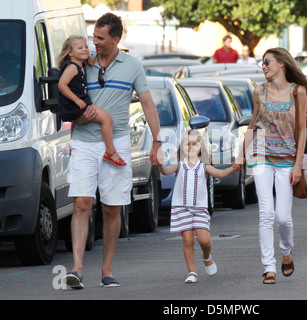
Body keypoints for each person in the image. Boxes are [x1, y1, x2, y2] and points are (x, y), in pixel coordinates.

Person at [62, 13, 161, 289]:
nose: (94, 42)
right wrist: (73, 128)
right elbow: (66, 96)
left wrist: (157, 140)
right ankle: (77, 269)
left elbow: (148, 104)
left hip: (116, 143)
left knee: (111, 208)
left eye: (100, 38)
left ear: (116, 39)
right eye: (93, 37)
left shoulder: (132, 66)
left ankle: (107, 270)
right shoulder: (83, 62)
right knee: (82, 203)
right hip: (83, 140)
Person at [236, 47, 307, 284]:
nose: (264, 66)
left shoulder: (298, 92)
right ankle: (269, 267)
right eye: (262, 63)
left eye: (267, 62)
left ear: (282, 64)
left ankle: (286, 252)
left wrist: (298, 164)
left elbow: (302, 131)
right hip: (261, 156)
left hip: (288, 160)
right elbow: (253, 124)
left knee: (283, 218)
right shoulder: (259, 91)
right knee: (266, 213)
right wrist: (241, 154)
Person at [158, 130, 242, 283]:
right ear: (182, 147)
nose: (190, 147)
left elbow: (221, 173)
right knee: (188, 240)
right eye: (187, 144)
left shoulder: (204, 166)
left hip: (199, 209)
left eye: (194, 144)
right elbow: (165, 171)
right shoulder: (179, 165)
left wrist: (233, 169)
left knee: (204, 240)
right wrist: (159, 163)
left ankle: (207, 256)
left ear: (201, 148)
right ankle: (192, 272)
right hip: (182, 208)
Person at [58, 35, 126, 166]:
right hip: (75, 105)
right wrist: (77, 101)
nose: (85, 50)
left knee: (76, 123)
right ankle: (111, 152)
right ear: (70, 53)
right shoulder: (72, 67)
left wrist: (88, 58)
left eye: (86, 47)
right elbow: (62, 85)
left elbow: (86, 59)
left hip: (73, 108)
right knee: (107, 119)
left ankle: (74, 148)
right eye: (80, 48)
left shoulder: (79, 64)